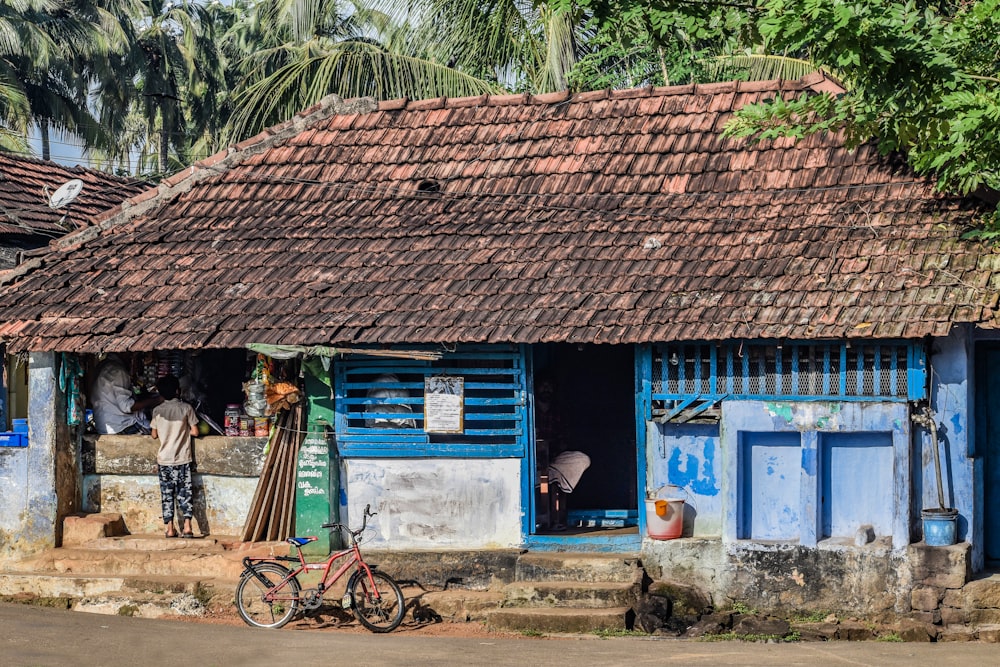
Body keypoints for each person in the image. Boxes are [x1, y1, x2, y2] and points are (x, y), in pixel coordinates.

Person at [150, 375, 200, 539]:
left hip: (164, 460)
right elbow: (195, 431)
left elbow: (154, 435)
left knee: (167, 495)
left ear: (161, 394)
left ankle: (170, 529)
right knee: (185, 493)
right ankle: (187, 527)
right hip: (182, 459)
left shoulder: (157, 411)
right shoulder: (186, 408)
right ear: (178, 391)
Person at [91, 352, 162, 434]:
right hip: (120, 426)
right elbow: (127, 407)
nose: (132, 357)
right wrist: (156, 400)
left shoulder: (101, 366)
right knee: (156, 435)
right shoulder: (119, 371)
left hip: (102, 425)